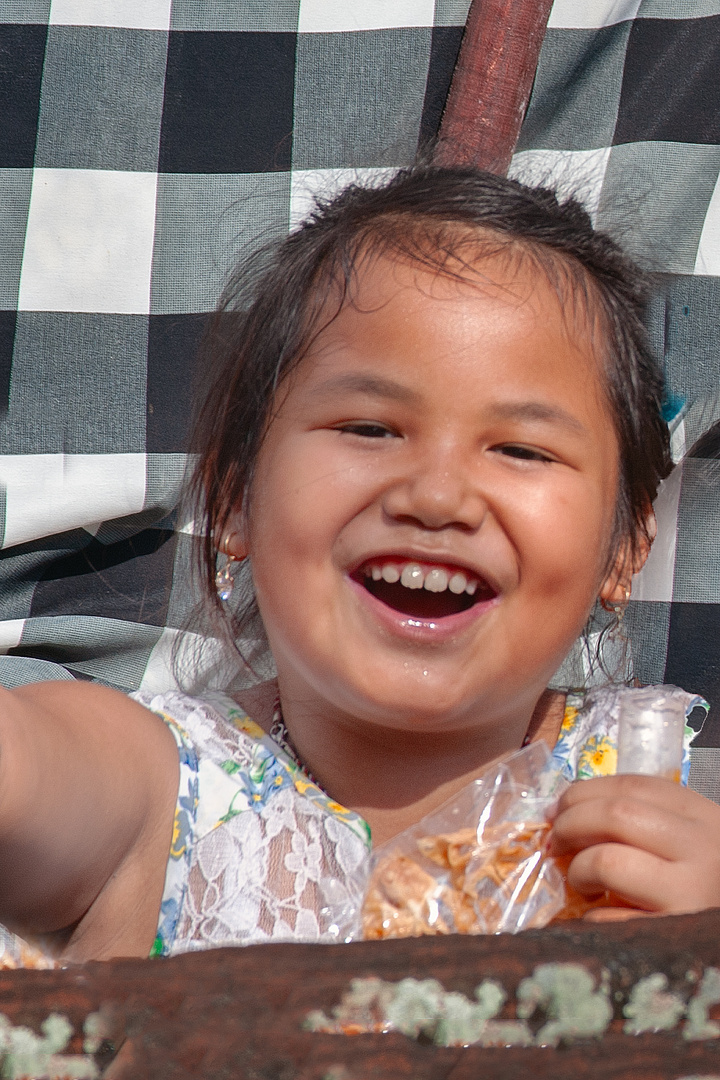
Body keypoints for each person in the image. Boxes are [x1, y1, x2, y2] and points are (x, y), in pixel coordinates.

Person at [1, 165, 719, 968]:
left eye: (521, 449)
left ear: (623, 549)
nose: (438, 495)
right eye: (370, 429)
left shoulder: (668, 818)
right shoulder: (160, 789)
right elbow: (29, 770)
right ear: (235, 497)